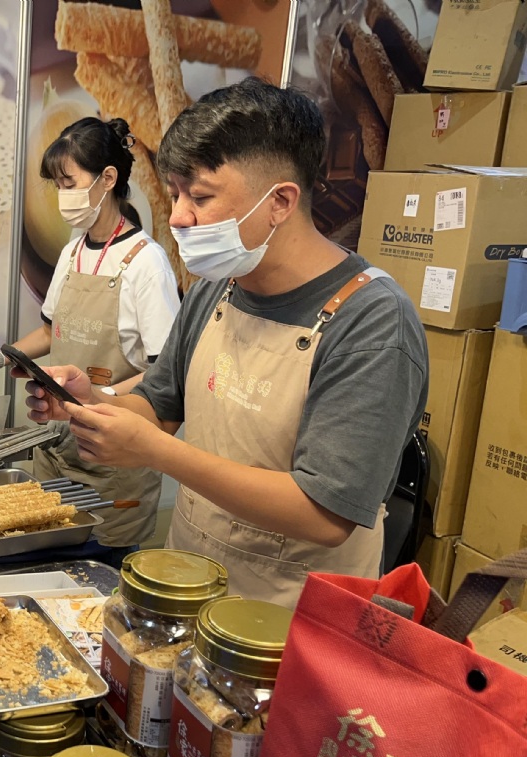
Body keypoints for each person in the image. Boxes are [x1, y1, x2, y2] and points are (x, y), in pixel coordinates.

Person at [23, 79, 429, 608]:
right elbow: (160, 407)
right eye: (174, 193)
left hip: (291, 616)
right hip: (188, 581)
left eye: (200, 196)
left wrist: (157, 453)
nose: (177, 216)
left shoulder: (372, 322)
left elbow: (325, 514)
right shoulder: (216, 288)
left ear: (279, 201)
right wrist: (92, 403)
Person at [0, 117, 179, 559]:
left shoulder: (146, 263)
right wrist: (2, 357)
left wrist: (96, 399)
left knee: (99, 571)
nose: (62, 195)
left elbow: (163, 374)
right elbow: (50, 330)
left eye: (69, 183)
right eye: (57, 185)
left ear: (107, 179)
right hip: (58, 450)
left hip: (111, 460)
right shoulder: (73, 252)